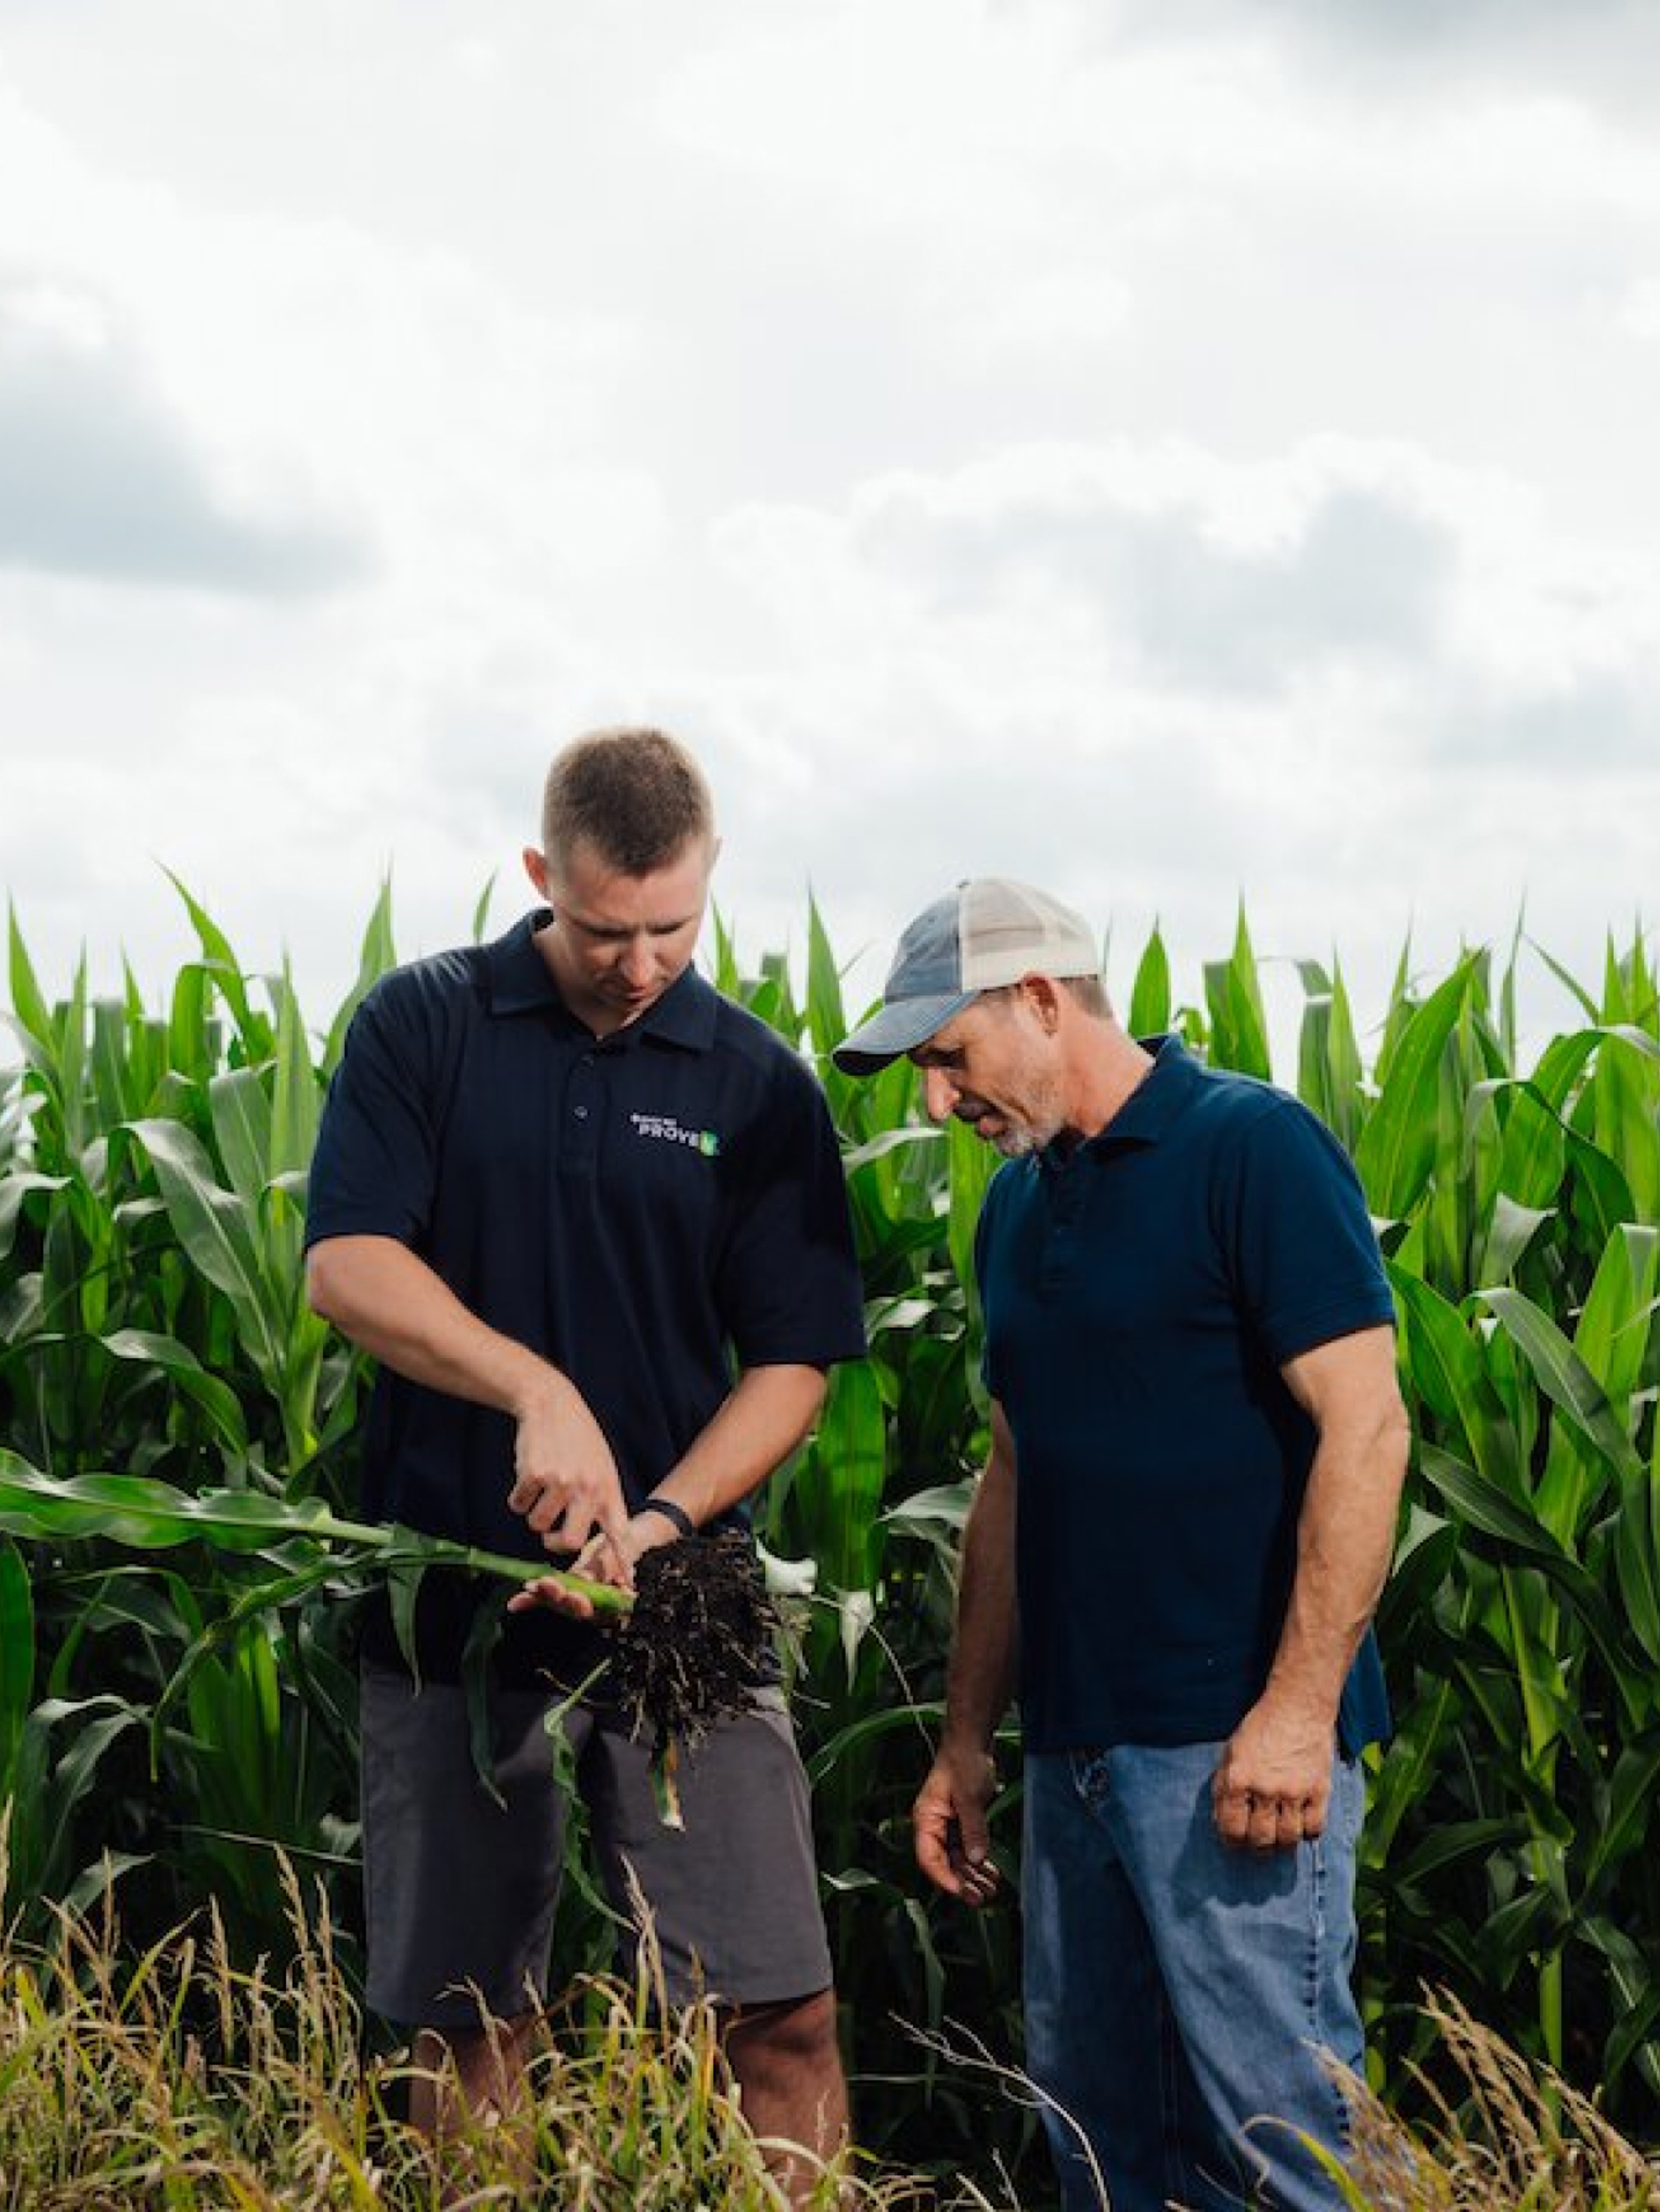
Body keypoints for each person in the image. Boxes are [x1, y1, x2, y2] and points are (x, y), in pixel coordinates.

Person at [304, 726, 868, 2188]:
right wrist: (533, 1388)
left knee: (778, 2005)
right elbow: (348, 1266)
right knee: (465, 2017)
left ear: (711, 877)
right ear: (543, 873)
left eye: (673, 927)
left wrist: (666, 1518)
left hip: (683, 1608)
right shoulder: (423, 1025)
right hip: (450, 1594)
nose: (639, 963)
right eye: (608, 927)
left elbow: (794, 1364)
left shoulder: (757, 1085)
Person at [832, 877, 1409, 2212]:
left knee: (1290, 2144)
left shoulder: (1249, 1146)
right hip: (1076, 1756)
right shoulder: (1017, 1209)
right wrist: (968, 1741)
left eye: (947, 1057)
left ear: (1042, 999)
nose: (937, 1102)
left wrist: (1296, 1711)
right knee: (1100, 2148)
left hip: (1234, 1754)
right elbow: (1013, 1478)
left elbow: (1367, 1432)